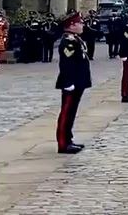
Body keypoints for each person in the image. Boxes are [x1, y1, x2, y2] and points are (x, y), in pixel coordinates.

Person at [55, 11, 91, 154]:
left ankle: (69, 139)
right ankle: (63, 143)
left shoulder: (76, 39)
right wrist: (69, 82)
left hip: (78, 81)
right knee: (66, 112)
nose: (82, 25)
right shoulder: (68, 42)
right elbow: (66, 64)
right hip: (71, 83)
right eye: (80, 23)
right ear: (71, 25)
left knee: (72, 112)